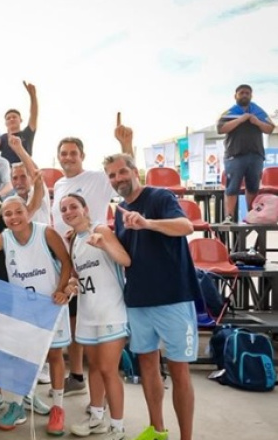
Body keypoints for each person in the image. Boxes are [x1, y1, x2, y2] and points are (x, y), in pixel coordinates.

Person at [104, 152, 199, 440]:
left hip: (173, 297)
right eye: (111, 175)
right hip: (139, 299)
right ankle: (157, 431)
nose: (117, 179)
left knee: (179, 369)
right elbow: (126, 256)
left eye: (121, 172)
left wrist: (148, 223)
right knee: (147, 366)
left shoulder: (160, 197)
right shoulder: (119, 211)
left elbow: (186, 227)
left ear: (134, 171)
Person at [0, 196, 73, 436]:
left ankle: (58, 408)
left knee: (54, 355)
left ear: (28, 212)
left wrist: (61, 289)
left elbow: (66, 262)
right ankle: (17, 404)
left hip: (50, 306)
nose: (14, 217)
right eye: (8, 214)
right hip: (23, 309)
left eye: (18, 212)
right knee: (22, 358)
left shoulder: (46, 233)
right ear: (3, 217)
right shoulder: (3, 238)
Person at [51, 118, 133, 398]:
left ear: (82, 156)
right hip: (73, 254)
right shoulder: (60, 183)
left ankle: (109, 414)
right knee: (75, 319)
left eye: (73, 153)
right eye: (63, 153)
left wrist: (124, 144)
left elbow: (124, 180)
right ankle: (78, 377)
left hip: (97, 252)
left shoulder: (97, 178)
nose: (68, 157)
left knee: (104, 362)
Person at [61, 194, 131, 440]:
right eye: (64, 209)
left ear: (85, 208)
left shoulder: (100, 230)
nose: (69, 212)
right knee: (95, 369)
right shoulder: (73, 241)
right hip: (87, 312)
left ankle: (118, 427)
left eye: (73, 207)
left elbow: (125, 260)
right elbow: (79, 276)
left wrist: (105, 245)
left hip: (111, 310)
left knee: (108, 369)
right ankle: (97, 418)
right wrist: (71, 283)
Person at [217, 84, 276, 223]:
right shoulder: (230, 112)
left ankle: (252, 216)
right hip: (234, 155)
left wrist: (257, 122)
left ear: (251, 95)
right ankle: (229, 217)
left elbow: (270, 129)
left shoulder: (258, 112)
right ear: (235, 96)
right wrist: (241, 119)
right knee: (232, 187)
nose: (244, 95)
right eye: (241, 93)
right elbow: (221, 128)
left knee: (253, 186)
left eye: (247, 93)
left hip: (255, 155)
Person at [5, 134, 51, 224]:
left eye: (23, 177)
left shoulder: (38, 191)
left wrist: (19, 149)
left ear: (30, 178)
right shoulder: (12, 201)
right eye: (15, 178)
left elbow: (36, 173)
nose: (19, 182)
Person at [0, 81, 39, 164]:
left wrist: (33, 97)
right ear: (5, 123)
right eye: (8, 118)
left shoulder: (27, 133)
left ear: (20, 120)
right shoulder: (3, 138)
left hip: (26, 170)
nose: (11, 119)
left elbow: (34, 114)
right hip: (8, 173)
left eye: (14, 117)